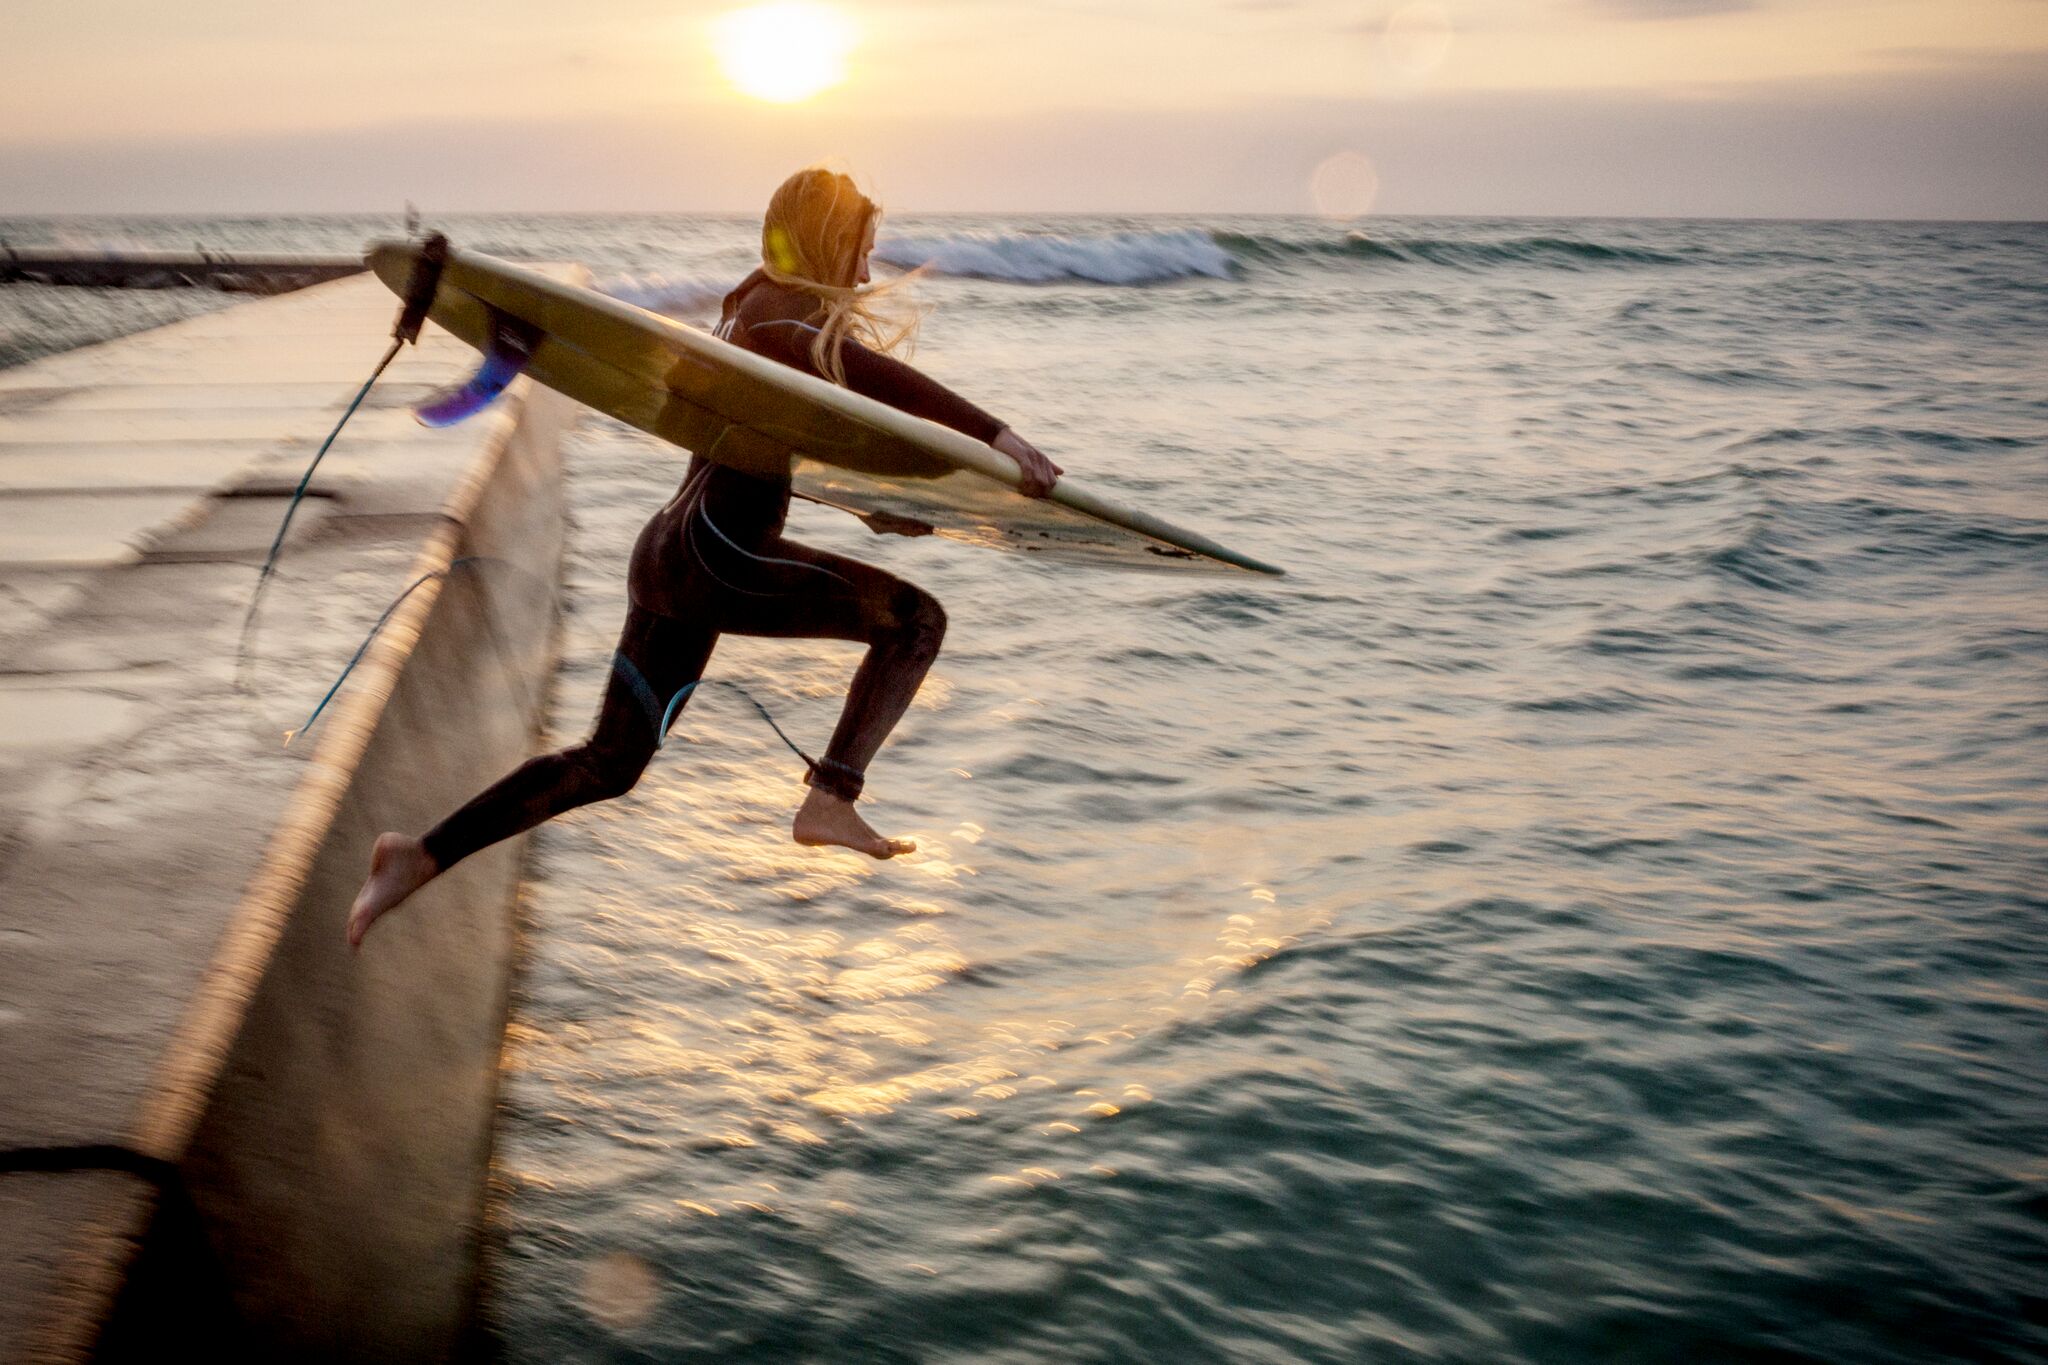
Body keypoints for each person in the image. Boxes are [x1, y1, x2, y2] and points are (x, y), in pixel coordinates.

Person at [345, 167, 1060, 950]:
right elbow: (879, 380)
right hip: (720, 555)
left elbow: (759, 448)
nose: (865, 274)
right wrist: (996, 434)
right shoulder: (781, 313)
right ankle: (832, 795)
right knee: (916, 622)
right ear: (828, 241)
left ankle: (420, 854)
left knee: (610, 762)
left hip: (673, 555)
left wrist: (867, 508)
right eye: (860, 250)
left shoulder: (745, 315)